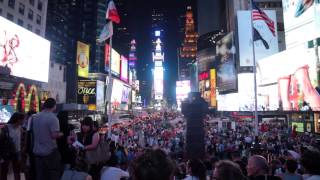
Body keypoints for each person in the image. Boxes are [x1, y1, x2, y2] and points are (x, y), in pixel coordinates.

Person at [32, 98, 64, 180]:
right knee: (53, 174)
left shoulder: (35, 117)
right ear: (54, 106)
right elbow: (54, 135)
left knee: (40, 175)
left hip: (37, 151)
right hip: (50, 152)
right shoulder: (53, 118)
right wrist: (61, 134)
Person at [0, 112, 25, 180]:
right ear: (18, 119)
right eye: (22, 119)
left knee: (17, 171)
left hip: (17, 152)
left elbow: (21, 141)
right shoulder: (5, 128)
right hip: (6, 152)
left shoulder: (20, 128)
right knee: (4, 171)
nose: (24, 121)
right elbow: (1, 142)